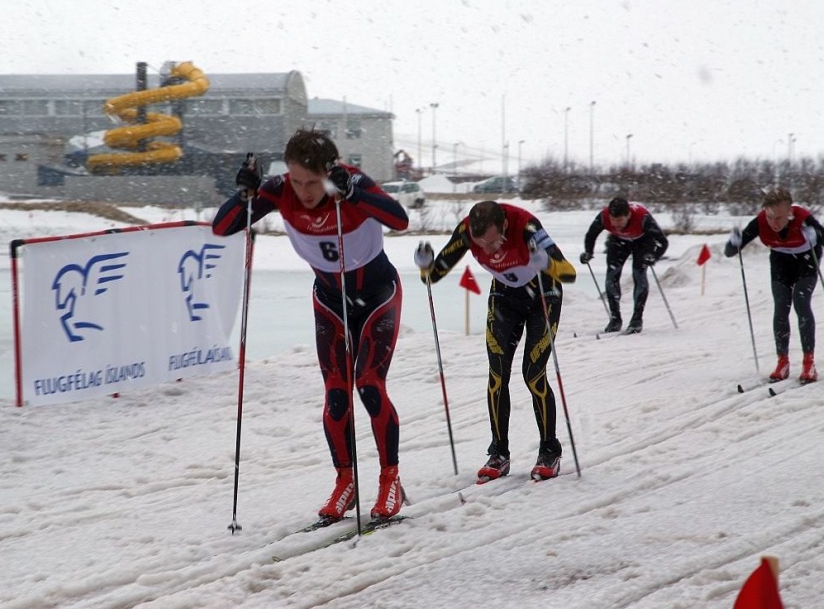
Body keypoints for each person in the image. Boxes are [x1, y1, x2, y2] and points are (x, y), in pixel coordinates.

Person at [212, 129, 409, 522]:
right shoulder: (280, 189)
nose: (302, 191)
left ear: (330, 171)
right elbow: (223, 227)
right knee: (336, 394)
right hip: (330, 299)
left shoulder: (350, 183)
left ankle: (390, 479)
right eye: (296, 180)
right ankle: (345, 481)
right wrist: (244, 193)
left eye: (311, 181)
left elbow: (399, 221)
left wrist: (355, 194)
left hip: (377, 296)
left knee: (368, 384)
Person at [414, 201, 576, 482]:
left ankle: (549, 449)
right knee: (497, 375)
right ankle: (499, 452)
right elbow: (435, 274)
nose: (490, 251)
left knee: (533, 375)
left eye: (494, 242)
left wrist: (547, 264)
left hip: (543, 296)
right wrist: (424, 266)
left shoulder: (527, 227)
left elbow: (569, 272)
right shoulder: (467, 230)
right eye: (481, 244)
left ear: (504, 225)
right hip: (505, 297)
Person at [724, 187, 823, 383]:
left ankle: (808, 362)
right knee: (781, 306)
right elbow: (730, 252)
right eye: (770, 216)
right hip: (781, 260)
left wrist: (816, 236)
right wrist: (733, 242)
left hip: (806, 260)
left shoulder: (803, 218)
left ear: (790, 213)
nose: (773, 223)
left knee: (801, 303)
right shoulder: (761, 221)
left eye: (778, 218)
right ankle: (782, 361)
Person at [580, 197, 669, 334]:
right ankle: (615, 318)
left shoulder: (642, 217)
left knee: (638, 274)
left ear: (628, 215)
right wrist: (588, 252)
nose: (616, 224)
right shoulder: (604, 217)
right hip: (619, 241)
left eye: (620, 220)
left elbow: (662, 242)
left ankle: (637, 319)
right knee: (612, 275)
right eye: (613, 220)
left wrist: (654, 256)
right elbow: (591, 234)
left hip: (643, 242)